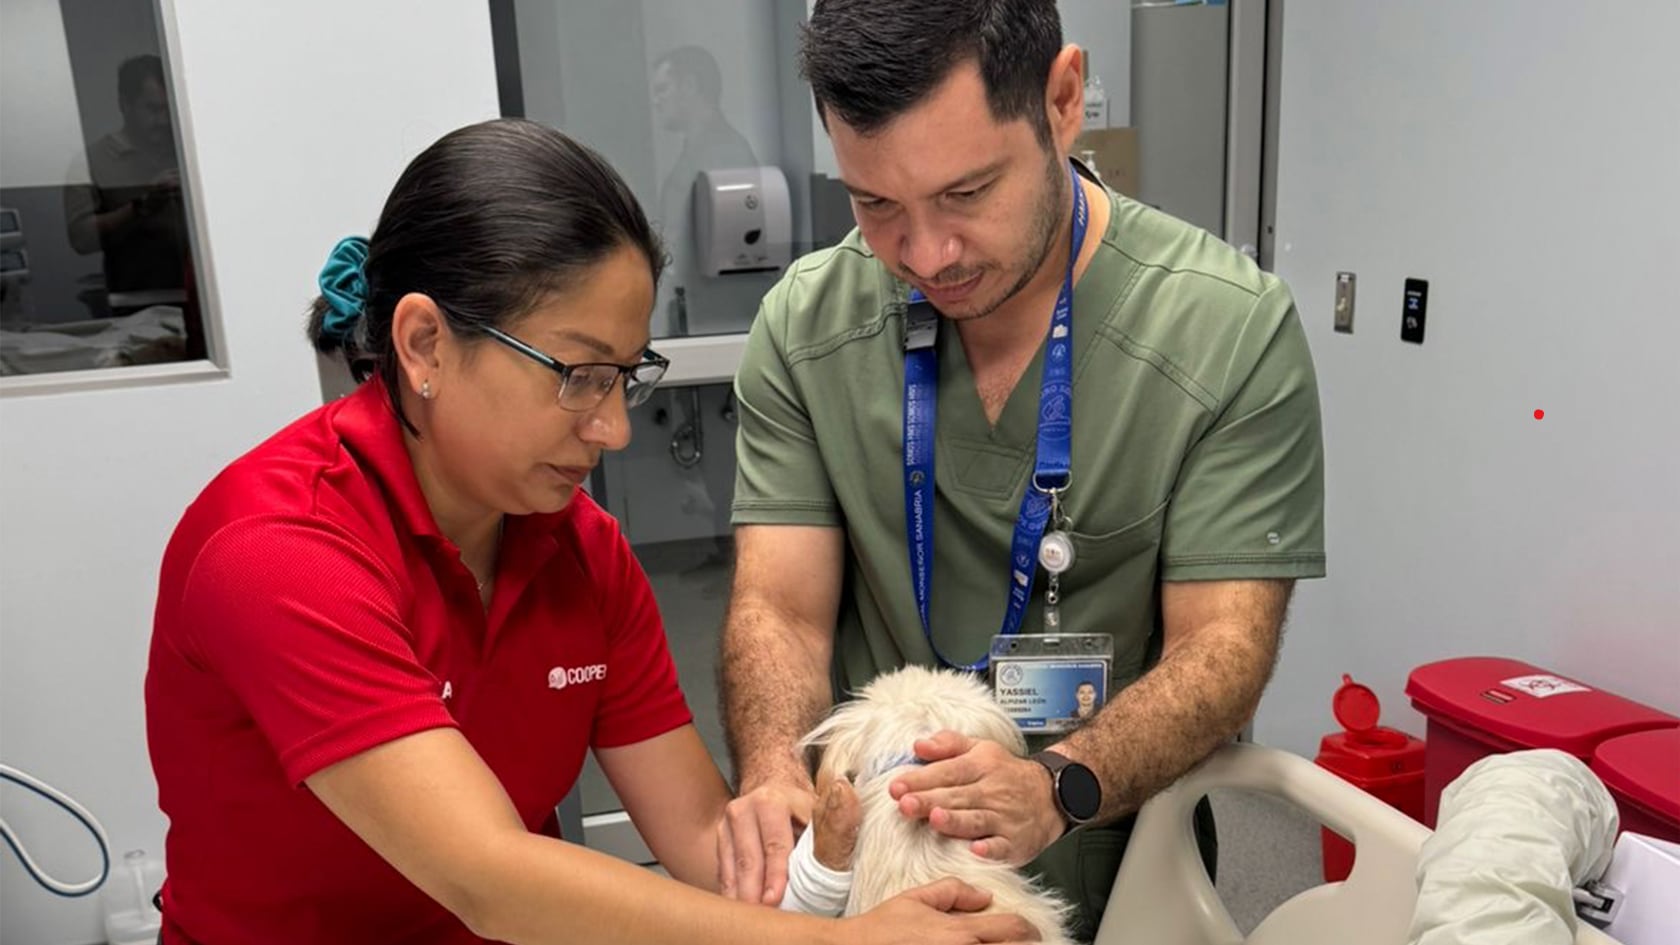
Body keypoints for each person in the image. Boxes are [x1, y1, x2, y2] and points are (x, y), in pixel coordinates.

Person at [144, 118, 1039, 945]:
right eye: (577, 374)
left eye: (624, 376)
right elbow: (488, 876)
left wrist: (849, 864)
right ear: (423, 345)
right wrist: (838, 941)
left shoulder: (579, 549)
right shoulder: (278, 551)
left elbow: (707, 845)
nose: (611, 428)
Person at [718, 1, 1326, 939]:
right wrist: (773, 777)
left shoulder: (1227, 332)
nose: (925, 255)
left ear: (1062, 99)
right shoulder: (808, 325)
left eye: (966, 192)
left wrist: (1058, 783)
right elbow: (780, 611)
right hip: (878, 874)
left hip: (1119, 860)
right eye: (876, 204)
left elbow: (1222, 645)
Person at [64, 54, 188, 310]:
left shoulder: (189, 152)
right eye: (153, 109)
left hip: (202, 300)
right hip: (133, 306)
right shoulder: (91, 161)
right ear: (124, 104)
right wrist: (140, 206)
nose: (163, 120)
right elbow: (81, 240)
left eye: (168, 109)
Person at [650, 45, 757, 331]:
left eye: (663, 89)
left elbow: (734, 252)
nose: (656, 101)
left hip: (715, 318)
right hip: (695, 310)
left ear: (689, 86)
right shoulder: (698, 152)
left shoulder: (727, 155)